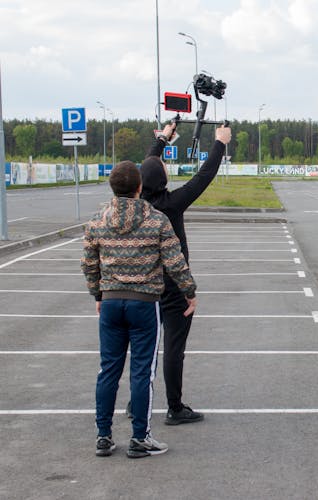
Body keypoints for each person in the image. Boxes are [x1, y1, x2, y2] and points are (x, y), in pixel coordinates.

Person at [81, 161, 197, 458]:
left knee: (108, 370)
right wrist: (189, 291)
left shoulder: (97, 220)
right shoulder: (156, 220)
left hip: (110, 302)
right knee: (141, 371)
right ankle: (140, 438)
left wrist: (98, 292)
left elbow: (88, 264)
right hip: (144, 303)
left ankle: (103, 436)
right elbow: (174, 260)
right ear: (139, 188)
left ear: (112, 187)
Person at [137, 123, 231, 425]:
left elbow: (146, 169)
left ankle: (136, 401)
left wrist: (163, 139)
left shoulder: (137, 205)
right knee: (173, 349)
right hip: (174, 288)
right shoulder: (172, 204)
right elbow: (203, 177)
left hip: (143, 285)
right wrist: (220, 143)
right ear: (163, 179)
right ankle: (175, 408)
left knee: (144, 349)